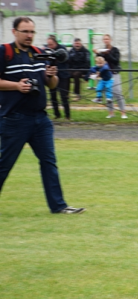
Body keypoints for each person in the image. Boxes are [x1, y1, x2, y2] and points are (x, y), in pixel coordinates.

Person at [0, 17, 84, 214]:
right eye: (25, 32)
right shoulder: (5, 52)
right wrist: (17, 86)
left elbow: (51, 85)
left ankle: (59, 206)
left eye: (32, 32)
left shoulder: (39, 53)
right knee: (5, 163)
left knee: (49, 162)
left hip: (40, 119)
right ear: (14, 32)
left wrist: (52, 75)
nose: (29, 36)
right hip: (15, 119)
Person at [93, 34, 127, 119]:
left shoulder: (115, 50)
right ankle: (111, 113)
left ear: (110, 40)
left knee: (117, 92)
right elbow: (98, 62)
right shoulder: (102, 51)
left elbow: (116, 61)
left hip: (114, 73)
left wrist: (107, 54)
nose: (106, 41)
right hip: (105, 75)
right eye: (104, 39)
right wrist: (97, 54)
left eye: (107, 39)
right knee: (107, 94)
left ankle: (123, 112)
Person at [46, 35, 70, 120]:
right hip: (52, 76)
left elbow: (67, 59)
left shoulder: (62, 48)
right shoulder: (47, 50)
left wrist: (57, 55)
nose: (49, 46)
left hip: (62, 75)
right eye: (48, 44)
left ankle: (67, 115)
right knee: (53, 96)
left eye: (51, 44)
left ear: (55, 43)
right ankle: (57, 114)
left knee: (64, 96)